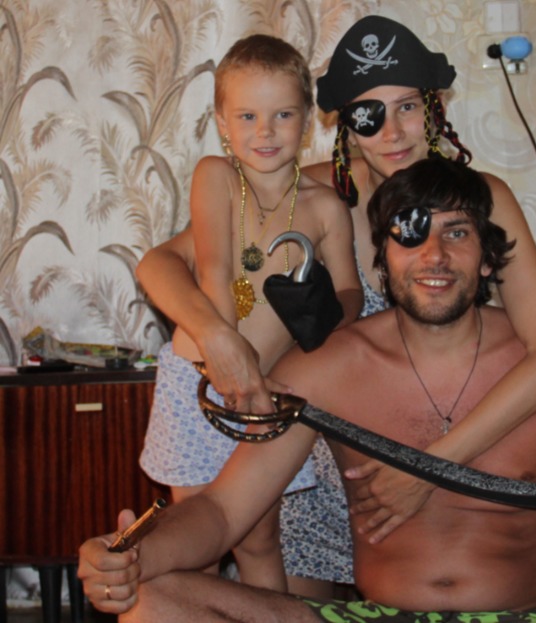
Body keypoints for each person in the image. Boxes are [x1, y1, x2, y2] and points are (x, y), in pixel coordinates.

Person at [78, 158, 536, 622]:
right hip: (374, 619)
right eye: (410, 233)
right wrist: (134, 556)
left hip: (526, 619)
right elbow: (222, 512)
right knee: (154, 600)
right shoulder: (328, 368)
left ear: (489, 260)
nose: (433, 255)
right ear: (382, 258)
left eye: (457, 233)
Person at [136, 15, 536, 596]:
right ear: (344, 123)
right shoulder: (310, 195)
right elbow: (161, 263)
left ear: (434, 106)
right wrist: (218, 336)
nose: (393, 133)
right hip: (309, 464)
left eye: (408, 107)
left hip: (426, 459)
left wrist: (429, 468)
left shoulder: (475, 203)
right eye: (370, 114)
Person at [136, 34, 362, 591]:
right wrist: (230, 364)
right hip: (197, 386)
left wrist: (325, 322)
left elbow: (350, 291)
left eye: (283, 114)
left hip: (268, 396)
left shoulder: (325, 207)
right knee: (196, 542)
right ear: (222, 122)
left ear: (307, 120)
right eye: (247, 116)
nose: (265, 131)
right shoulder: (215, 176)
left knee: (260, 538)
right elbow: (215, 270)